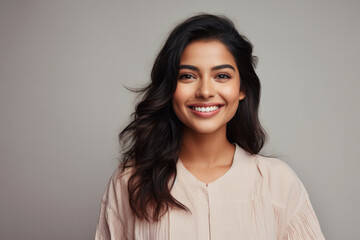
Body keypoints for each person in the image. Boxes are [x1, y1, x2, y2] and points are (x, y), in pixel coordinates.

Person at [95, 14, 325, 240]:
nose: (205, 91)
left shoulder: (277, 183)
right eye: (187, 76)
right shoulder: (130, 182)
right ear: (169, 88)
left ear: (242, 88)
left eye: (222, 75)